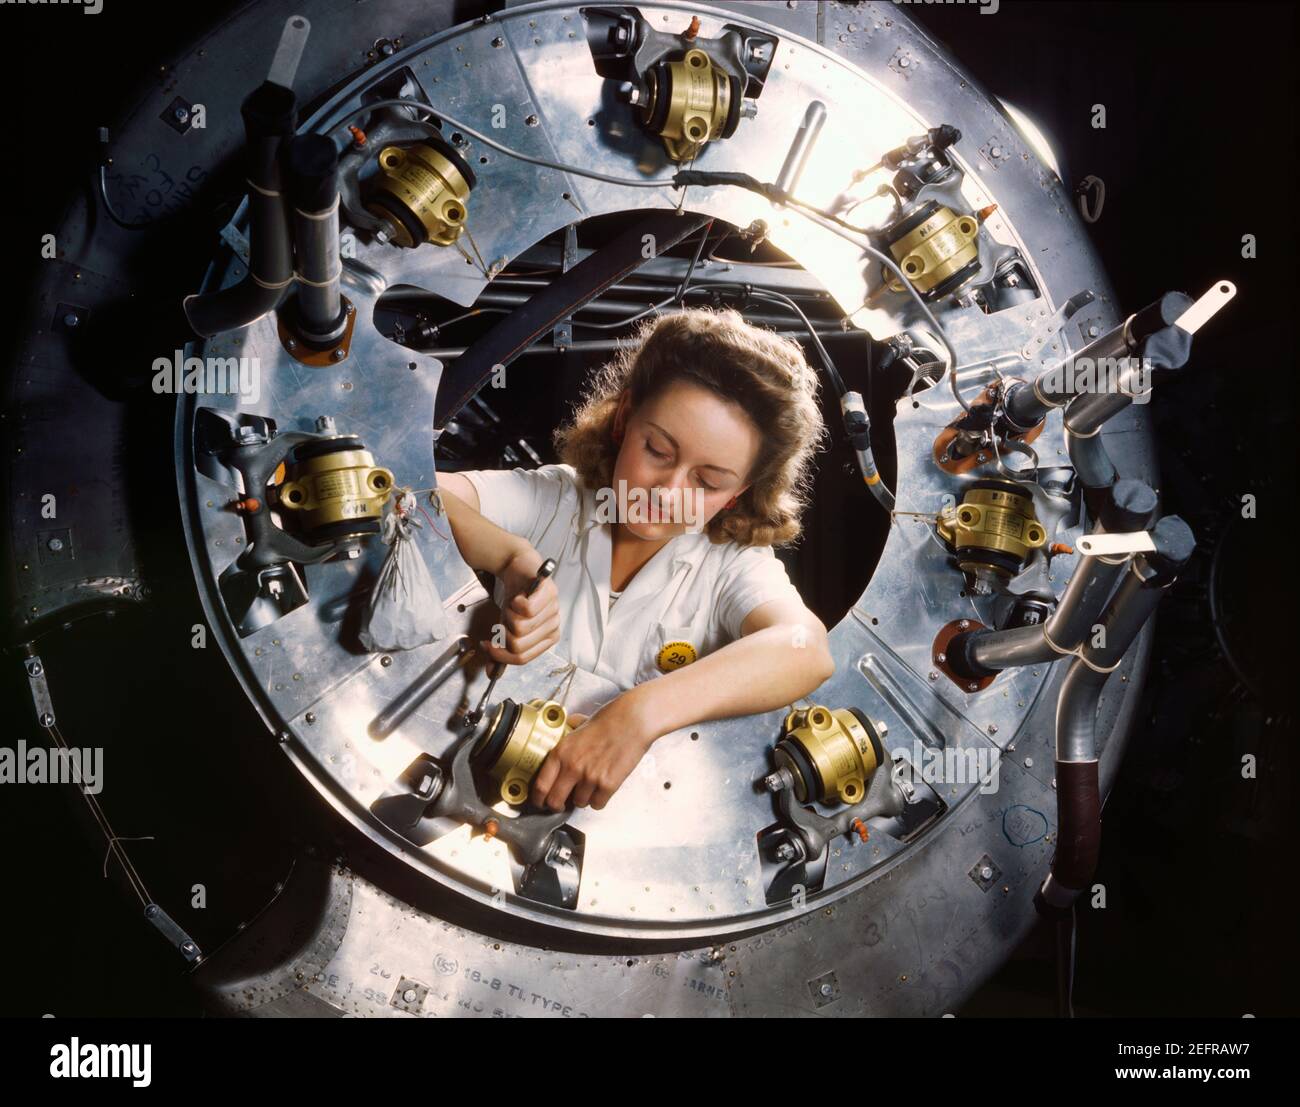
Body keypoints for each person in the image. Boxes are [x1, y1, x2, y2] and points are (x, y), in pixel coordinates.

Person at [436, 306, 833, 812]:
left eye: (707, 481)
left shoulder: (734, 565)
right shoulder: (556, 500)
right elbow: (415, 495)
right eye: (658, 450)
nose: (668, 491)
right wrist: (512, 556)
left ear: (737, 494)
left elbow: (805, 649)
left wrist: (638, 714)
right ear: (624, 419)